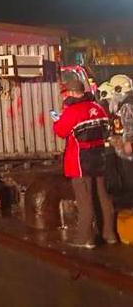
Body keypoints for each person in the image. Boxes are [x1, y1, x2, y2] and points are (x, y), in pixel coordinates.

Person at [54, 78, 117, 248]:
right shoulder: (98, 108)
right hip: (100, 158)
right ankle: (109, 234)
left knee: (85, 199)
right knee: (103, 197)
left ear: (71, 93)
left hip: (80, 161)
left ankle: (85, 238)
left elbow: (60, 131)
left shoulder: (72, 111)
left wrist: (57, 119)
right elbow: (106, 131)